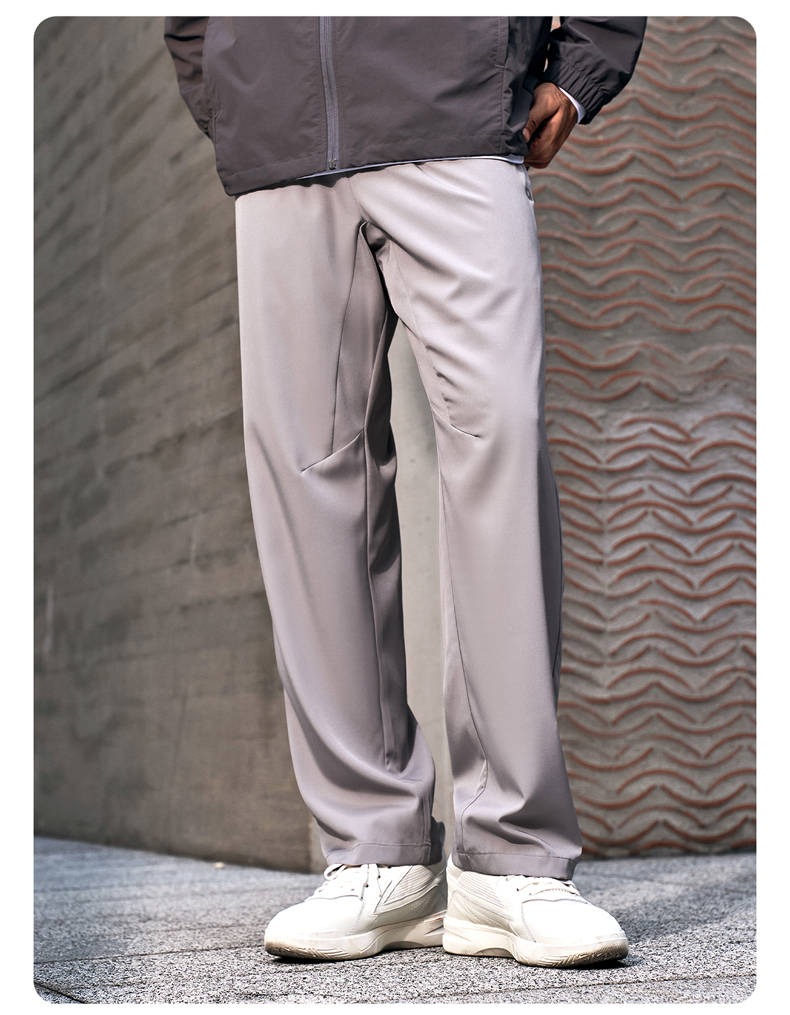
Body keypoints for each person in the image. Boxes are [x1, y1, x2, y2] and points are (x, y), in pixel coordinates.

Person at [165, 15, 646, 967]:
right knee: (308, 477)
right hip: (280, 137)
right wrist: (231, 80)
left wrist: (587, 57)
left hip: (452, 110)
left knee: (499, 446)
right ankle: (375, 850)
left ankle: (510, 857)